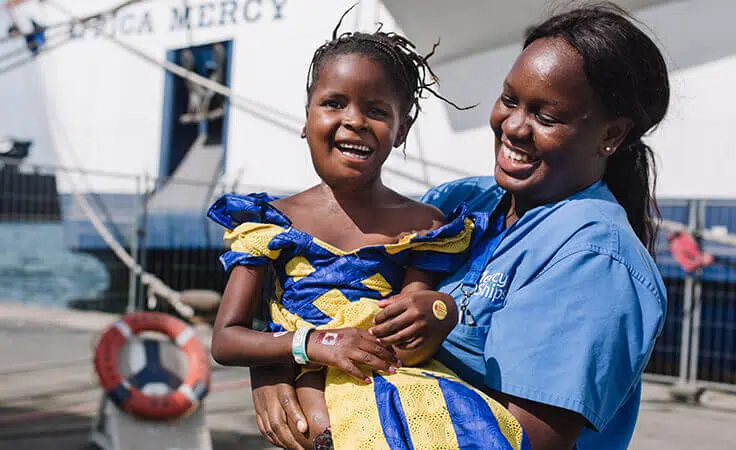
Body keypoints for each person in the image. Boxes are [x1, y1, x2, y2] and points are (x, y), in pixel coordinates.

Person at [249, 3, 669, 450]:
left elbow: (523, 441)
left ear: (612, 135)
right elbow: (320, 299)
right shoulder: (456, 203)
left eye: (546, 118)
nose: (514, 127)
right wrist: (279, 365)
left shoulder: (595, 262)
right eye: (510, 100)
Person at [207, 11, 530, 450]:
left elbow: (413, 342)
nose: (354, 120)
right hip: (309, 387)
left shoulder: (423, 227)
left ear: (402, 130)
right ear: (306, 118)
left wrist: (436, 312)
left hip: (398, 385)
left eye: (376, 110)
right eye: (334, 103)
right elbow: (227, 339)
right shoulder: (268, 224)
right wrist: (314, 343)